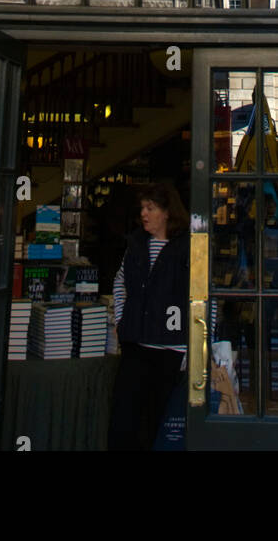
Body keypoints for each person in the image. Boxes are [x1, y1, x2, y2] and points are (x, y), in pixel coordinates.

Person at [107, 182, 189, 451]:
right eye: (142, 207)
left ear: (166, 212)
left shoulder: (186, 248)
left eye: (150, 208)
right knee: (123, 417)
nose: (144, 213)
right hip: (136, 344)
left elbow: (201, 298)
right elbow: (120, 281)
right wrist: (121, 318)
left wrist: (196, 346)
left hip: (170, 348)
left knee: (153, 421)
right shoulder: (137, 245)